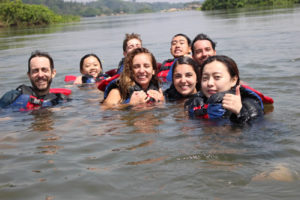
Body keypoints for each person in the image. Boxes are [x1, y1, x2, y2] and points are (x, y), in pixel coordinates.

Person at [184, 55, 264, 124]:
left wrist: (240, 112)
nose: (210, 83)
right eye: (205, 78)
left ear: (233, 80)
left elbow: (257, 132)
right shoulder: (195, 102)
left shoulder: (247, 103)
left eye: (217, 77)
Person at [0, 50, 71, 111]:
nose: (40, 75)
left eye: (44, 70)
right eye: (35, 71)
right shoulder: (12, 97)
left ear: (53, 73)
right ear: (29, 75)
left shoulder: (61, 100)